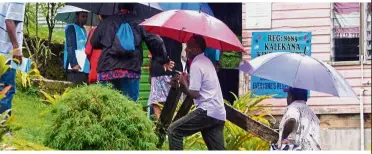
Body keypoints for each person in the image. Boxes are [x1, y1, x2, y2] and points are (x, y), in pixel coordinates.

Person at [90, 3, 174, 102]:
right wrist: (164, 60)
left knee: (106, 106)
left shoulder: (106, 22)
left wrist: (109, 44)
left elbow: (94, 42)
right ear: (135, 7)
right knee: (129, 108)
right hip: (130, 71)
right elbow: (156, 41)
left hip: (107, 70)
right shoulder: (140, 22)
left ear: (117, 6)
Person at [168, 35, 226, 150]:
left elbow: (195, 94)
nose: (185, 49)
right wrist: (182, 83)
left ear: (198, 49)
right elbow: (192, 91)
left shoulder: (196, 64)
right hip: (218, 113)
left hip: (207, 111)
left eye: (189, 46)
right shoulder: (206, 61)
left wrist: (184, 81)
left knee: (173, 131)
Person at [148, 36, 183, 121]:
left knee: (157, 103)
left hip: (158, 71)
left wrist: (150, 74)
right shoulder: (178, 35)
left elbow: (151, 58)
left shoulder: (156, 37)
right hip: (176, 71)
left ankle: (161, 130)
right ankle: (172, 130)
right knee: (175, 104)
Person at [0, 2, 26, 117]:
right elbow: (9, 21)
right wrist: (16, 48)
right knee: (7, 89)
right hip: (6, 54)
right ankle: (4, 127)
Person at [63, 11, 89, 84]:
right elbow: (70, 46)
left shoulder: (83, 29)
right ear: (77, 16)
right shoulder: (71, 27)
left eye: (86, 17)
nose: (85, 19)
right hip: (74, 67)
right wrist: (74, 64)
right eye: (83, 16)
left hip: (84, 66)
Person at [85, 15, 107, 84]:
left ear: (100, 16)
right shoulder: (113, 30)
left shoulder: (95, 30)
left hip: (95, 71)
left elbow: (87, 51)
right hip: (110, 73)